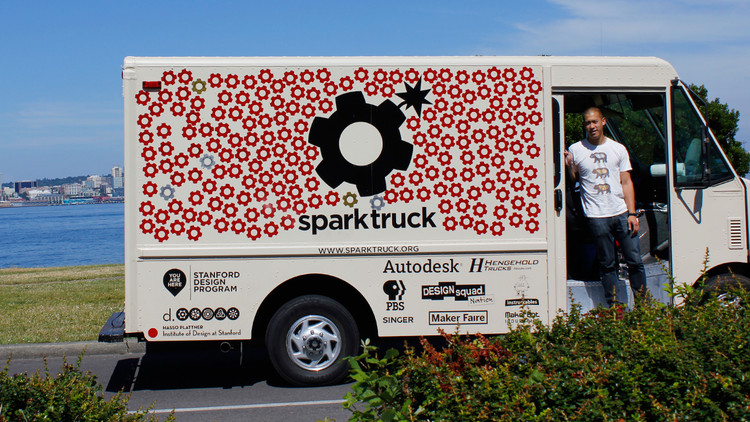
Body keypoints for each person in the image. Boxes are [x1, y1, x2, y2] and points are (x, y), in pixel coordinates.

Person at [565, 107, 646, 306]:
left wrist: (632, 213)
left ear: (603, 122)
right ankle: (614, 307)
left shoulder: (618, 149)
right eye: (587, 123)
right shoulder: (576, 149)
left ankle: (644, 306)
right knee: (607, 265)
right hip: (596, 216)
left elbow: (626, 182)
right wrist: (569, 166)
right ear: (584, 125)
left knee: (635, 261)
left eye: (594, 122)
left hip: (621, 213)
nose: (591, 126)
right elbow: (574, 180)